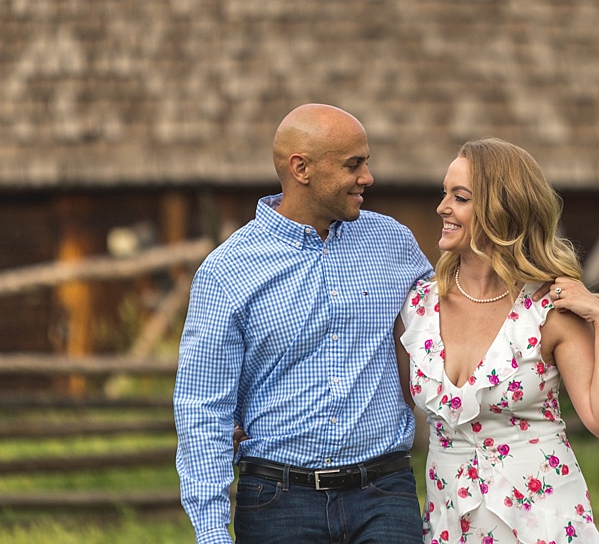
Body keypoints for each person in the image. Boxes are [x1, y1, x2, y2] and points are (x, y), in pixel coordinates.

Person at [175, 106, 430, 544]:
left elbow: (457, 313)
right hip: (278, 501)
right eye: (354, 164)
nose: (367, 176)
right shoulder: (227, 271)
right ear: (301, 169)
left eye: (365, 162)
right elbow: (202, 409)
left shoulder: (393, 242)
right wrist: (212, 531)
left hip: (385, 493)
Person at [400, 138, 599, 544]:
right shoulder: (419, 304)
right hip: (450, 522)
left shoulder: (548, 310)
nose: (442, 207)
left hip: (542, 521)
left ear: (499, 209)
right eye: (444, 193)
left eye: (461, 197)